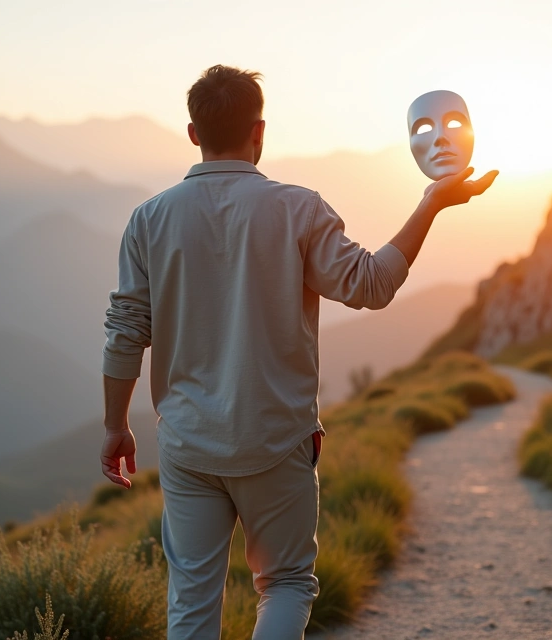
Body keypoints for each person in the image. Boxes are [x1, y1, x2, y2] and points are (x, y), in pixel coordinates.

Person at [100, 64, 496, 639]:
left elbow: (125, 330)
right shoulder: (298, 209)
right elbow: (371, 286)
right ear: (259, 132)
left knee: (191, 599)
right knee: (285, 584)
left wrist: (116, 424)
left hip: (188, 444)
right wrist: (430, 204)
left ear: (193, 133)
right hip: (277, 439)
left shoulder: (149, 220)